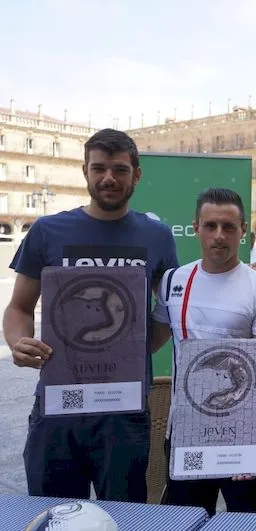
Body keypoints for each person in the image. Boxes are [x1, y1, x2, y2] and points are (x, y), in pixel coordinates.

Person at [3, 128, 178, 501]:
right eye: (99, 168)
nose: (109, 178)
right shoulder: (48, 231)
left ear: (137, 174)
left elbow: (165, 311)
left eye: (119, 169)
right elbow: (19, 307)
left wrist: (130, 351)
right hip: (58, 403)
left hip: (124, 409)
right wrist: (18, 342)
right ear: (85, 171)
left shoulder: (158, 236)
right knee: (55, 514)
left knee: (125, 516)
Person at [151, 188, 256, 517]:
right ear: (196, 228)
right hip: (186, 433)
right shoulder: (172, 281)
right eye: (210, 226)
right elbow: (152, 341)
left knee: (247, 521)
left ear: (243, 230)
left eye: (229, 227)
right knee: (183, 521)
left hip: (242, 435)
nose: (219, 236)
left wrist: (254, 440)